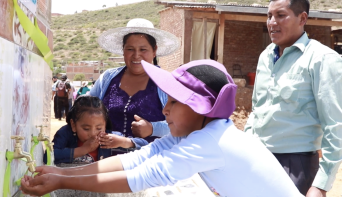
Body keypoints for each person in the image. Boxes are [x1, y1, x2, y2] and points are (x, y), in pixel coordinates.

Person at [21, 60, 303, 196]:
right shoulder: (201, 133)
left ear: (198, 107)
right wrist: (60, 171)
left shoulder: (211, 143)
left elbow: (145, 176)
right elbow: (140, 158)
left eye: (173, 102)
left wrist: (62, 181)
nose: (164, 109)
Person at [244, 0, 342, 196]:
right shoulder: (266, 56)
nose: (272, 22)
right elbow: (257, 110)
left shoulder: (321, 59)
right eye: (269, 16)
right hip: (257, 160)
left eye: (281, 15)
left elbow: (336, 126)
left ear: (302, 18)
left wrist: (320, 185)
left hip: (294, 166)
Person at [90, 18, 180, 153]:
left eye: (143, 49)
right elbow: (85, 110)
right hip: (103, 158)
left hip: (150, 162)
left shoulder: (166, 82)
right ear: (123, 50)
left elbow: (181, 124)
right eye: (130, 49)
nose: (136, 55)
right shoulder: (107, 79)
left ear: (154, 50)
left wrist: (152, 128)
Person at [44, 95, 113, 164]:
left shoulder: (109, 137)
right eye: (86, 129)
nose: (93, 134)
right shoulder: (66, 133)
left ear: (105, 125)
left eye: (99, 128)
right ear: (74, 125)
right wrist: (82, 150)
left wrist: (121, 142)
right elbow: (48, 156)